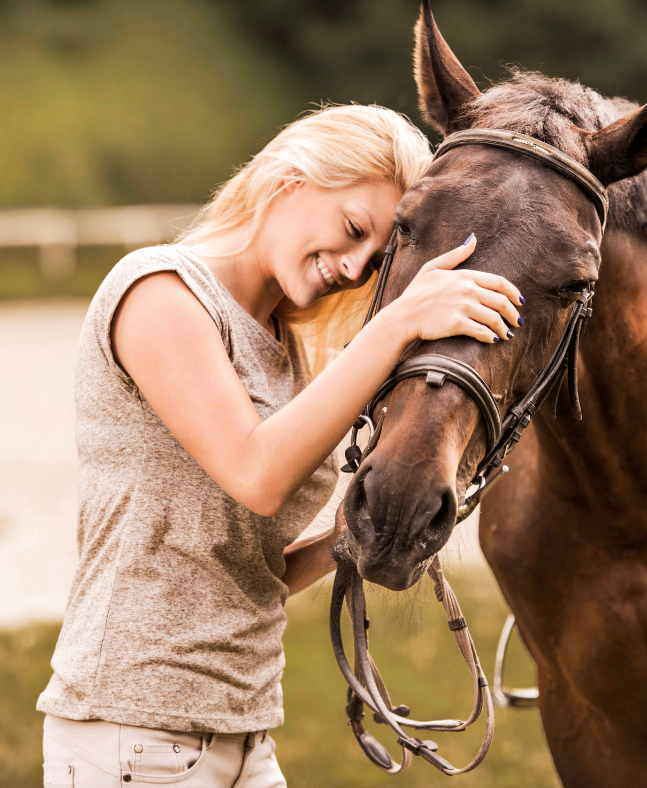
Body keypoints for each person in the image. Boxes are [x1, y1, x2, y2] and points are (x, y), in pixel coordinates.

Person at [37, 104, 524, 787]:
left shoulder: (282, 350)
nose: (356, 268)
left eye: (377, 258)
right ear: (291, 181)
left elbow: (249, 566)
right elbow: (256, 473)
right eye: (354, 229)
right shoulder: (160, 293)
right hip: (134, 732)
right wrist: (398, 326)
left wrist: (370, 530)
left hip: (241, 733)